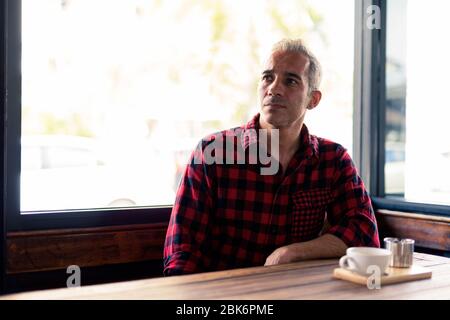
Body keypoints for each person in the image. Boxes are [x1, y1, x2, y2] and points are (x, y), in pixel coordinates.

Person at [163, 38, 380, 276]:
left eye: (291, 81)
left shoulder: (333, 161)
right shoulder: (212, 153)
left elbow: (365, 234)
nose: (274, 88)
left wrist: (293, 252)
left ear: (313, 99)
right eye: (268, 77)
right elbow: (182, 252)